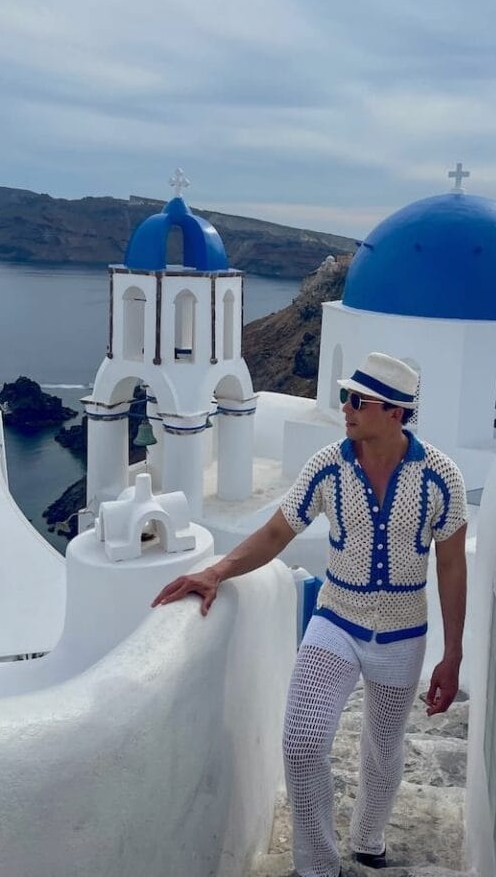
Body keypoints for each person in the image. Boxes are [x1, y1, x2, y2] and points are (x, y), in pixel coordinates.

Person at [152, 352, 467, 877]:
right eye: (346, 397)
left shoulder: (441, 478)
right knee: (301, 742)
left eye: (357, 401)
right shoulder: (327, 465)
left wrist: (452, 654)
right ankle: (318, 865)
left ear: (394, 412)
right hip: (336, 621)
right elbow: (278, 532)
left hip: (402, 634)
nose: (345, 407)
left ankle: (369, 837)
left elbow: (453, 566)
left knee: (385, 747)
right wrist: (219, 570)